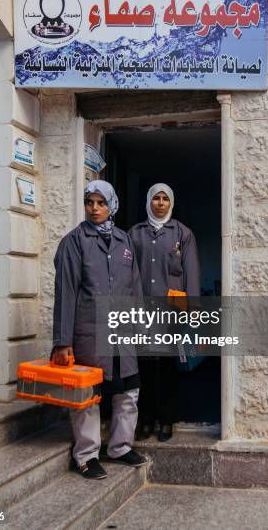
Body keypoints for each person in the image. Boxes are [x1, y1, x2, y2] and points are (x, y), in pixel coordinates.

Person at [52, 180, 147, 480]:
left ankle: (120, 447)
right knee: (89, 395)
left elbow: (136, 287)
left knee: (128, 390)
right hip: (91, 331)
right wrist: (62, 341)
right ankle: (86, 455)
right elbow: (66, 292)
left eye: (101, 203)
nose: (95, 209)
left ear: (111, 205)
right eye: (90, 202)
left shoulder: (123, 240)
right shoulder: (74, 241)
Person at [129, 183, 201, 441]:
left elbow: (191, 273)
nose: (160, 203)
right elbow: (128, 272)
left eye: (165, 199)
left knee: (168, 367)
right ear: (148, 202)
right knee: (144, 367)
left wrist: (192, 311)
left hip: (172, 309)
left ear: (171, 203)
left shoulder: (183, 233)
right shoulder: (134, 234)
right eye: (155, 199)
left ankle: (167, 420)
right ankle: (146, 419)